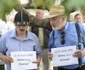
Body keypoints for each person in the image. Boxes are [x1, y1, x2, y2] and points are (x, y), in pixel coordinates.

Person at [29, 5, 85, 70]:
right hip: (61, 68)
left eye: (54, 19)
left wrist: (83, 52)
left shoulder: (78, 28)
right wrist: (51, 56)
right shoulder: (52, 34)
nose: (52, 22)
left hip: (80, 67)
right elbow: (51, 52)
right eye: (50, 19)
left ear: (64, 19)